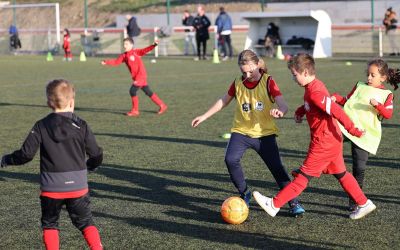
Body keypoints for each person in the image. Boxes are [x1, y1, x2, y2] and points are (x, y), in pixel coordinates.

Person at [253, 53, 377, 220]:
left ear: (304, 72)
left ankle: (274, 204)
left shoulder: (315, 92)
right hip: (331, 140)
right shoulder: (312, 87)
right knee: (341, 174)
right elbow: (312, 104)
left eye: (294, 75)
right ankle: (364, 203)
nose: (293, 79)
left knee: (303, 177)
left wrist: (353, 130)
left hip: (324, 143)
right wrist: (300, 111)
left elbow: (336, 110)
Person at [191, 50, 305, 216]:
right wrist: (204, 116)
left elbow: (283, 104)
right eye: (243, 72)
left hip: (264, 135)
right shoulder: (238, 82)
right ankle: (244, 192)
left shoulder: (268, 81)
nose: (247, 74)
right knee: (230, 159)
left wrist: (280, 111)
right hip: (241, 132)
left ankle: (293, 202)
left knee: (277, 169)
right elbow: (223, 100)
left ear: (258, 64)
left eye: (250, 71)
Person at [0, 79, 104, 250]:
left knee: (50, 224)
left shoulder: (41, 125)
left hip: (52, 188)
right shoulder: (81, 125)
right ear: (72, 101)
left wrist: (5, 159)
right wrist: (91, 165)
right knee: (85, 222)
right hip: (78, 186)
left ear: (48, 102)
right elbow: (96, 153)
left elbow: (25, 155)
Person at [331, 59, 399, 211]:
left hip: (364, 135)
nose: (368, 78)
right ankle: (309, 170)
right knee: (326, 146)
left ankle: (355, 199)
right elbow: (348, 102)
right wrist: (337, 97)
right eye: (368, 74)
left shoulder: (386, 94)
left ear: (383, 78)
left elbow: (388, 114)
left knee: (359, 168)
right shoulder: (359, 85)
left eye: (372, 75)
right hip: (345, 127)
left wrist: (377, 105)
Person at [101, 38, 167, 117]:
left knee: (132, 90)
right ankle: (162, 105)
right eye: (124, 44)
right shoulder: (124, 55)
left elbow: (146, 50)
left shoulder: (136, 52)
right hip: (136, 78)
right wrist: (106, 62)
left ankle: (135, 110)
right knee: (148, 92)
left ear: (131, 45)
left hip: (141, 76)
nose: (125, 46)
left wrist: (154, 45)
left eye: (126, 44)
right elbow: (116, 62)